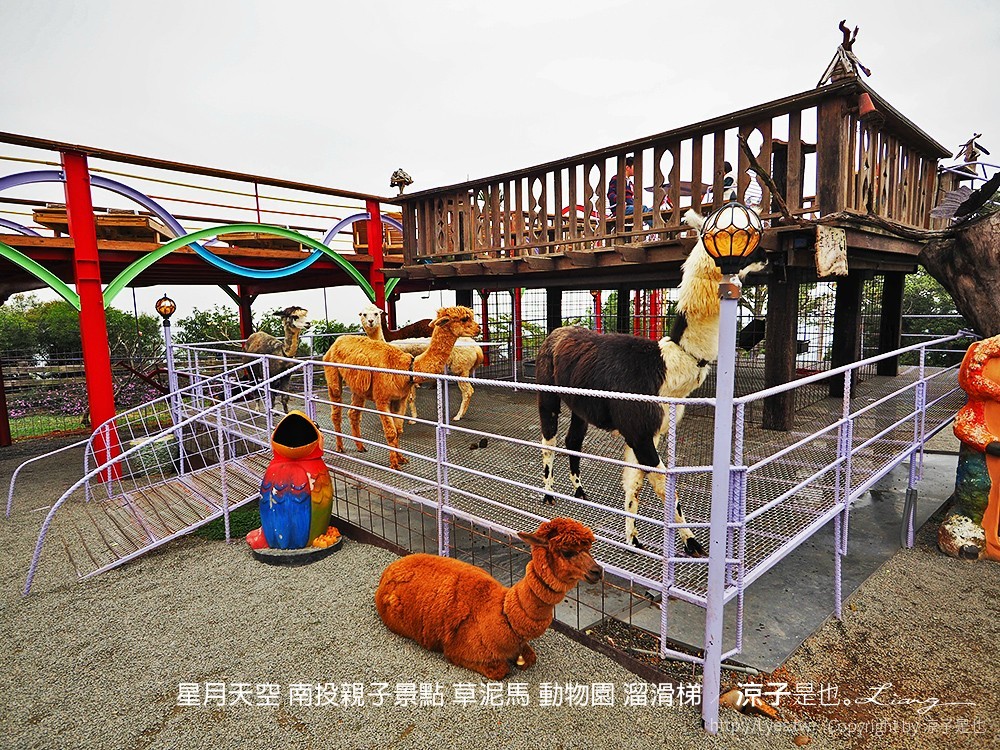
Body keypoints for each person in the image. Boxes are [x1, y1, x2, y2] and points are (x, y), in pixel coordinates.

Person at [607, 156, 652, 228]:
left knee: (651, 210)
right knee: (643, 208)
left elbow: (631, 199)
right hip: (620, 209)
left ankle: (662, 226)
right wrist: (620, 201)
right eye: (634, 167)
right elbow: (610, 194)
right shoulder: (616, 178)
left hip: (630, 207)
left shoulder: (630, 183)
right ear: (627, 167)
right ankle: (657, 227)